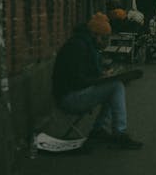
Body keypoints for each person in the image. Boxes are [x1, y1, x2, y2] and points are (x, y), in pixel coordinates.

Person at [52, 12, 143, 149]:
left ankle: (100, 129)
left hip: (72, 93)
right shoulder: (77, 47)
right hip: (69, 98)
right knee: (116, 86)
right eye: (104, 38)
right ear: (96, 34)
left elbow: (83, 75)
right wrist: (100, 79)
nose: (105, 42)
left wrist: (102, 77)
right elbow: (77, 80)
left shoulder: (83, 44)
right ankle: (119, 132)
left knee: (112, 87)